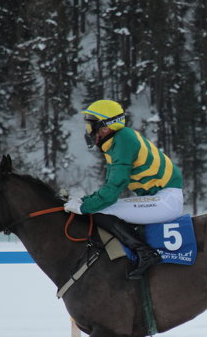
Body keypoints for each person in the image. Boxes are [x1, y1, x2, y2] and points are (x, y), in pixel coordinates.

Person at [64, 99, 185, 279]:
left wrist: (84, 207)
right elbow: (109, 187)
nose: (89, 130)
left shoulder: (122, 140)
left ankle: (145, 253)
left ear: (105, 126)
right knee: (100, 208)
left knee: (101, 212)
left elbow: (112, 191)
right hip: (162, 198)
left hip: (166, 200)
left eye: (91, 124)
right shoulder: (116, 142)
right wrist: (86, 200)